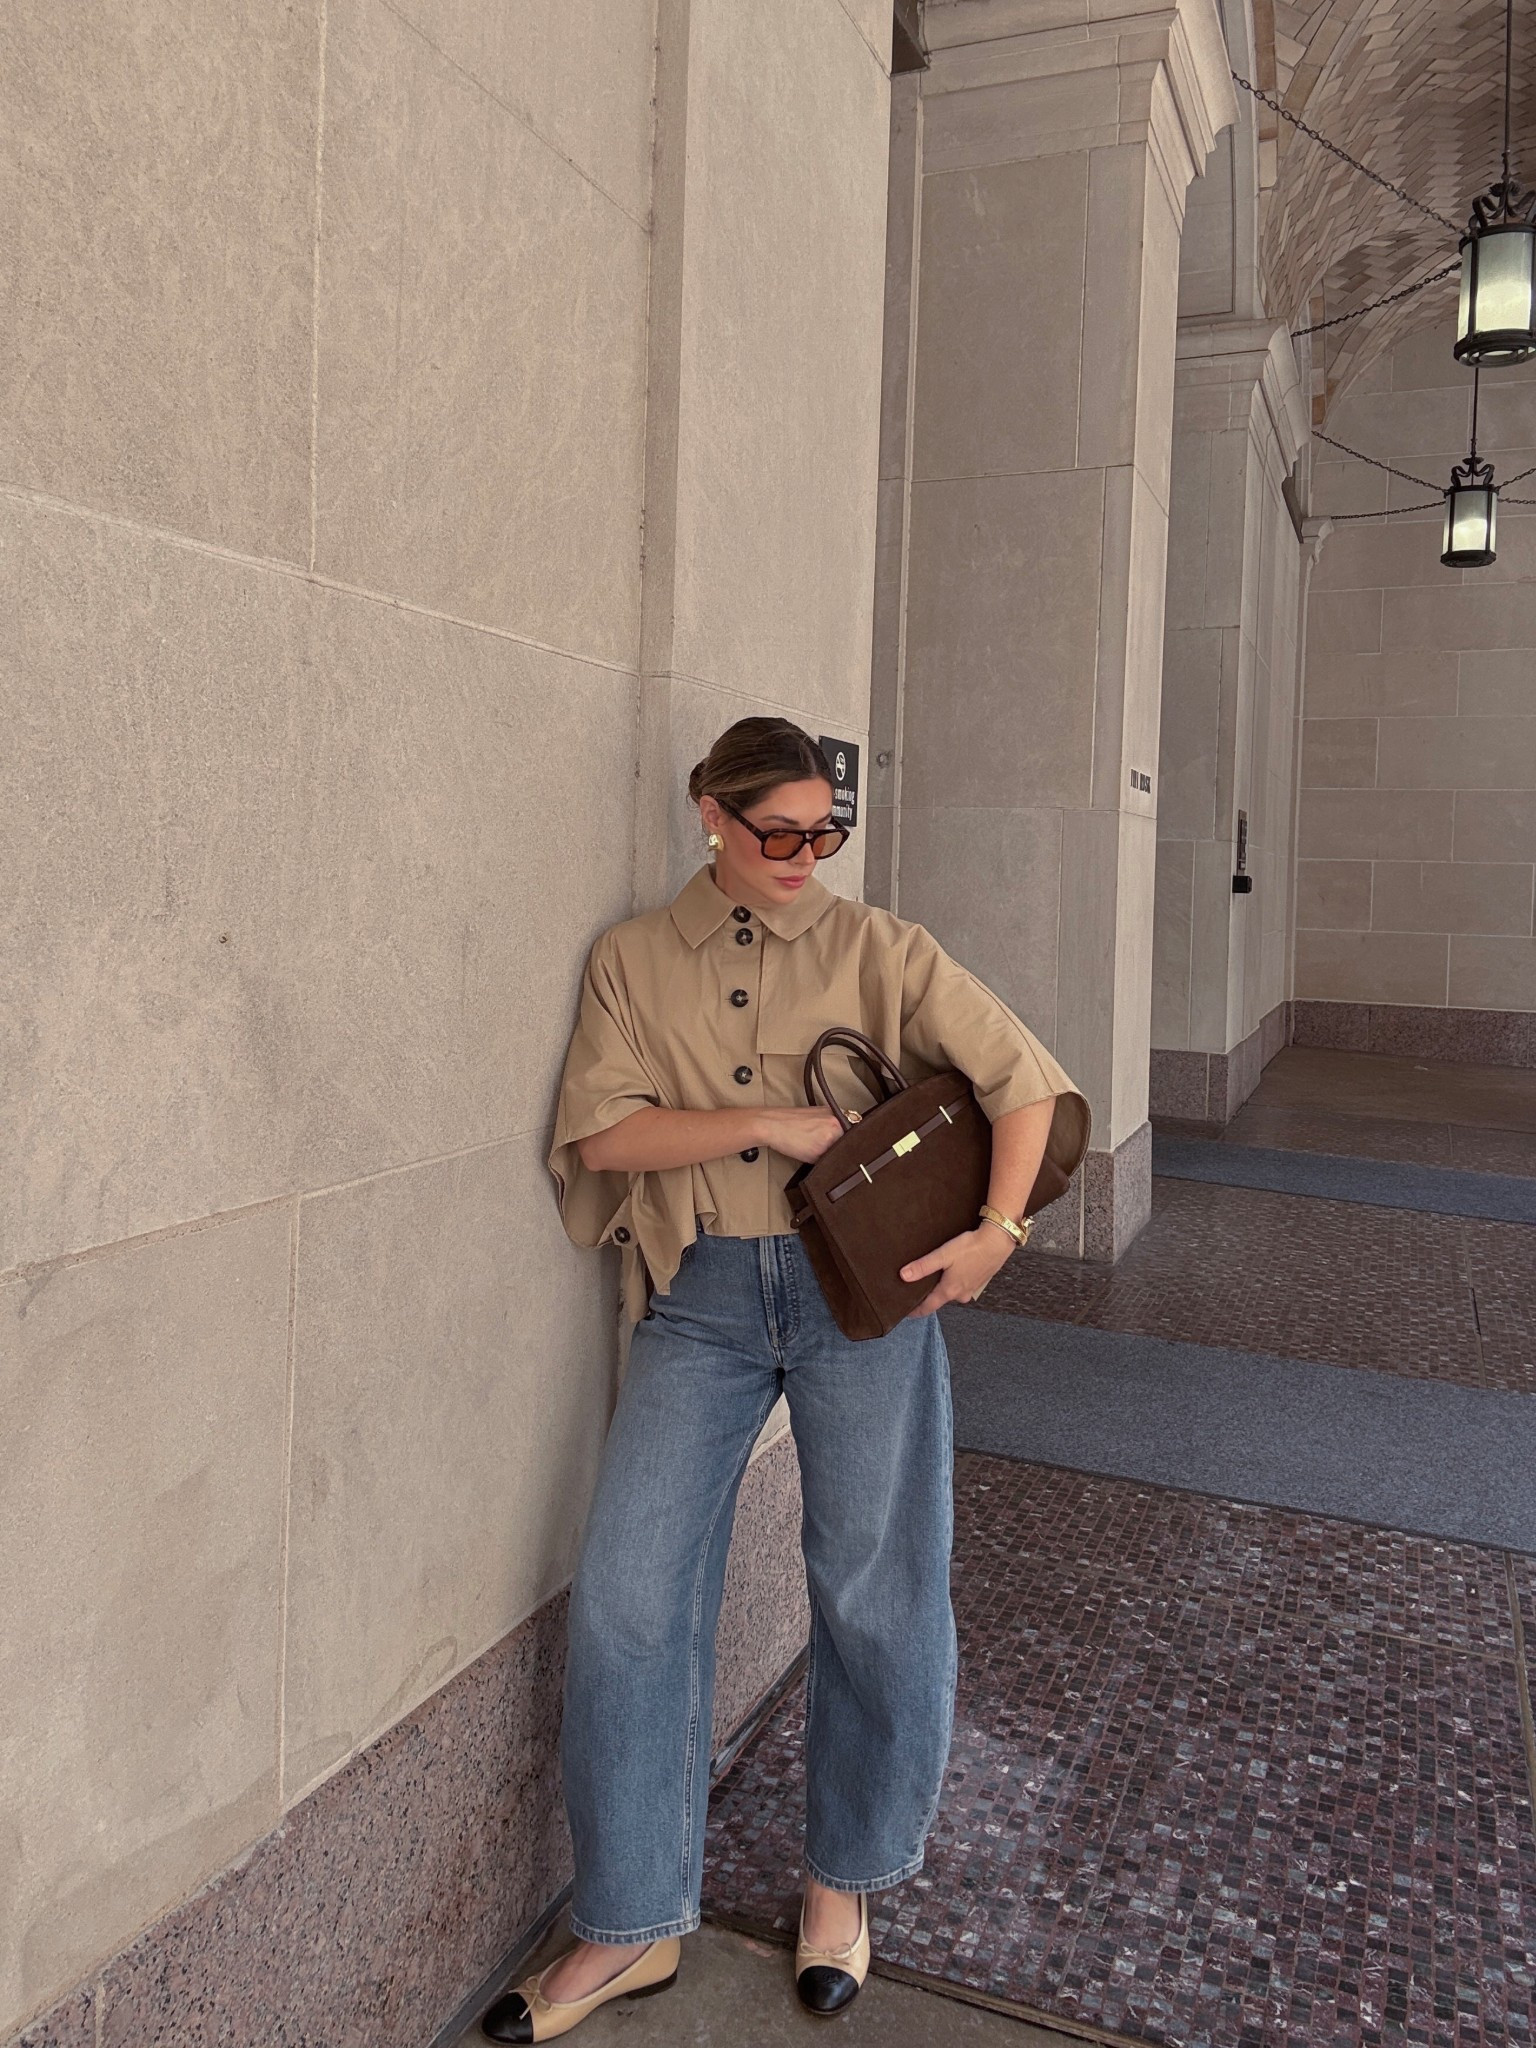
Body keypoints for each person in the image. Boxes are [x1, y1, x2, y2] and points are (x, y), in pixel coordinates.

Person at [481, 718, 1089, 2041]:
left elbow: (1025, 1083)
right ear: (711, 814)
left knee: (875, 1584)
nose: (808, 855)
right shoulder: (635, 958)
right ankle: (630, 1924)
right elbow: (603, 1134)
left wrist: (996, 1234)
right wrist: (769, 1124)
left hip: (864, 1298)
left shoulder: (882, 949)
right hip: (701, 1299)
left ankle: (841, 1885)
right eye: (780, 833)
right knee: (630, 1596)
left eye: (827, 831)